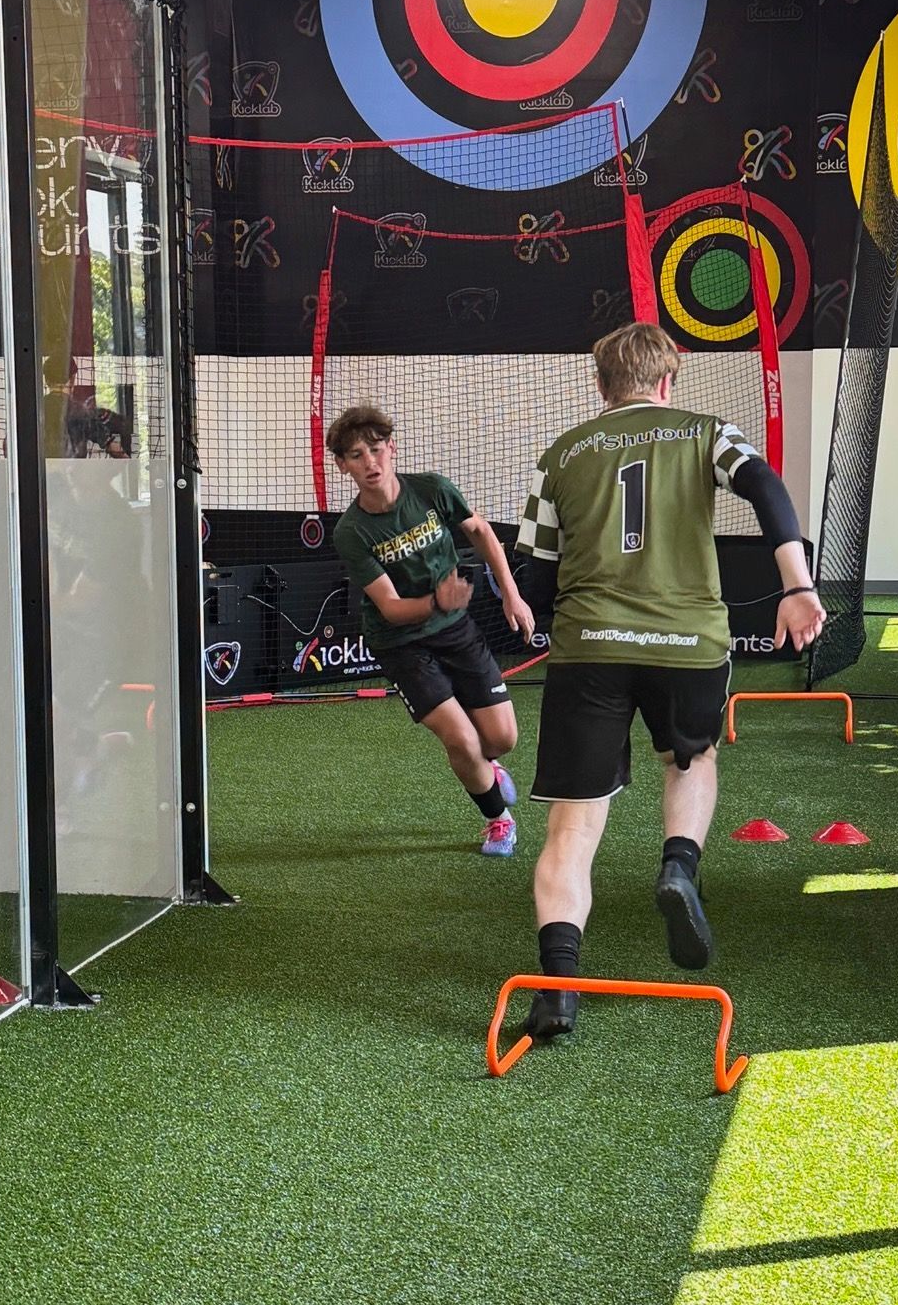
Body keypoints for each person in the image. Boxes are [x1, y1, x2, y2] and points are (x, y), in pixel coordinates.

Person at [513, 321, 825, 1039]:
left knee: (575, 821)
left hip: (588, 648)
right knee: (691, 758)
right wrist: (796, 584)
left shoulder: (560, 454)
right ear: (668, 381)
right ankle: (678, 865)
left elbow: (539, 572)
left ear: (601, 386)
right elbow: (764, 487)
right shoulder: (706, 431)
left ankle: (556, 988)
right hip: (687, 644)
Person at [328, 403, 534, 857]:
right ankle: (498, 819)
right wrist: (437, 600)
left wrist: (510, 594)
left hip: (455, 628)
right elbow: (392, 607)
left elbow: (480, 532)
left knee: (500, 739)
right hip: (400, 642)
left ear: (392, 450)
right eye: (357, 456)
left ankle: (489, 766)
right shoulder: (351, 531)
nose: (371, 463)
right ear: (342, 465)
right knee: (460, 739)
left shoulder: (433, 490)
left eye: (377, 450)